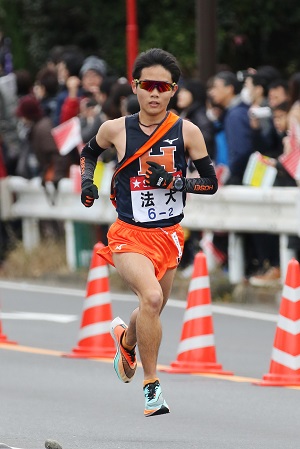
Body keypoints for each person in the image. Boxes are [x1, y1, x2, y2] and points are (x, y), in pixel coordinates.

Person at [79, 48, 218, 417]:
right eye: (148, 86)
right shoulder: (115, 128)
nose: (155, 94)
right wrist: (87, 184)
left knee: (151, 307)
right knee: (152, 299)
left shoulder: (187, 132)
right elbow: (87, 153)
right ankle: (152, 386)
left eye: (163, 87)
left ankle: (126, 341)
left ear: (173, 90)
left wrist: (174, 181)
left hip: (169, 235)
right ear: (136, 87)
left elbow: (210, 182)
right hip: (128, 234)